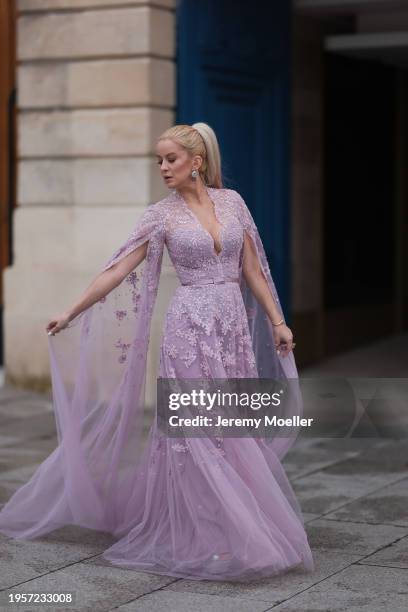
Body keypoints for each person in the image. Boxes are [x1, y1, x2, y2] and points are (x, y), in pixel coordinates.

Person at [0, 122, 314, 581]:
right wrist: (70, 311)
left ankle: (231, 527)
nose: (163, 167)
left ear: (197, 162)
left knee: (230, 430)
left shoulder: (234, 203)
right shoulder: (159, 216)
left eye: (171, 159)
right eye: (159, 160)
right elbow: (117, 268)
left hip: (230, 330)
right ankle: (201, 532)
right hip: (186, 329)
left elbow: (252, 268)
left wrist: (278, 321)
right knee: (196, 433)